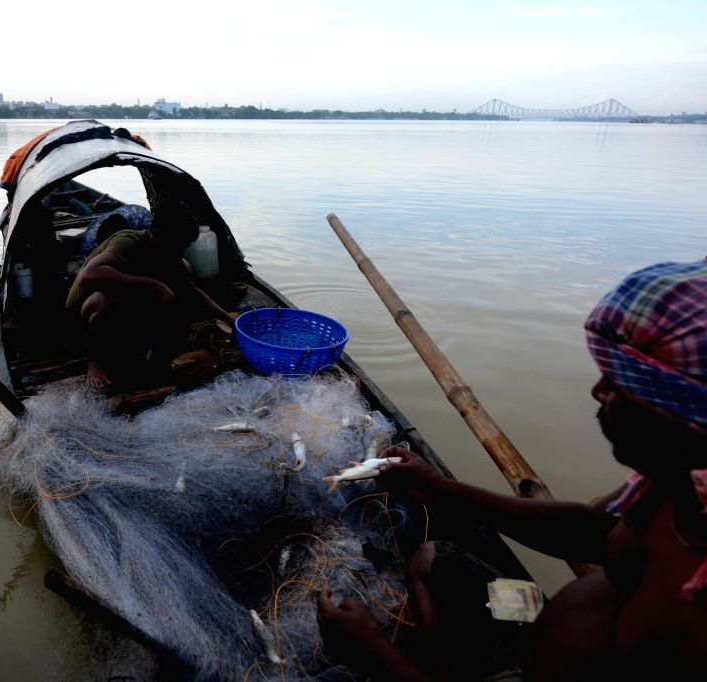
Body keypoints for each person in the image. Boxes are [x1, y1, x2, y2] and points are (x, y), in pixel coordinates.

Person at [317, 260, 707, 681]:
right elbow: (589, 530)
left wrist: (377, 654)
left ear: (683, 416)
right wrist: (438, 488)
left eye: (621, 384)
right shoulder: (678, 483)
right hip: (534, 627)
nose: (598, 391)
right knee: (432, 559)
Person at [65, 202, 234, 391]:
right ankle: (95, 361)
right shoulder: (128, 242)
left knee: (179, 282)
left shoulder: (167, 252)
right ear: (158, 234)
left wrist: (227, 318)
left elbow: (191, 291)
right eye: (179, 245)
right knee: (111, 299)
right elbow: (89, 276)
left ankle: (134, 348)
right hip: (82, 320)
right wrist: (152, 284)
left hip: (117, 315)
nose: (181, 252)